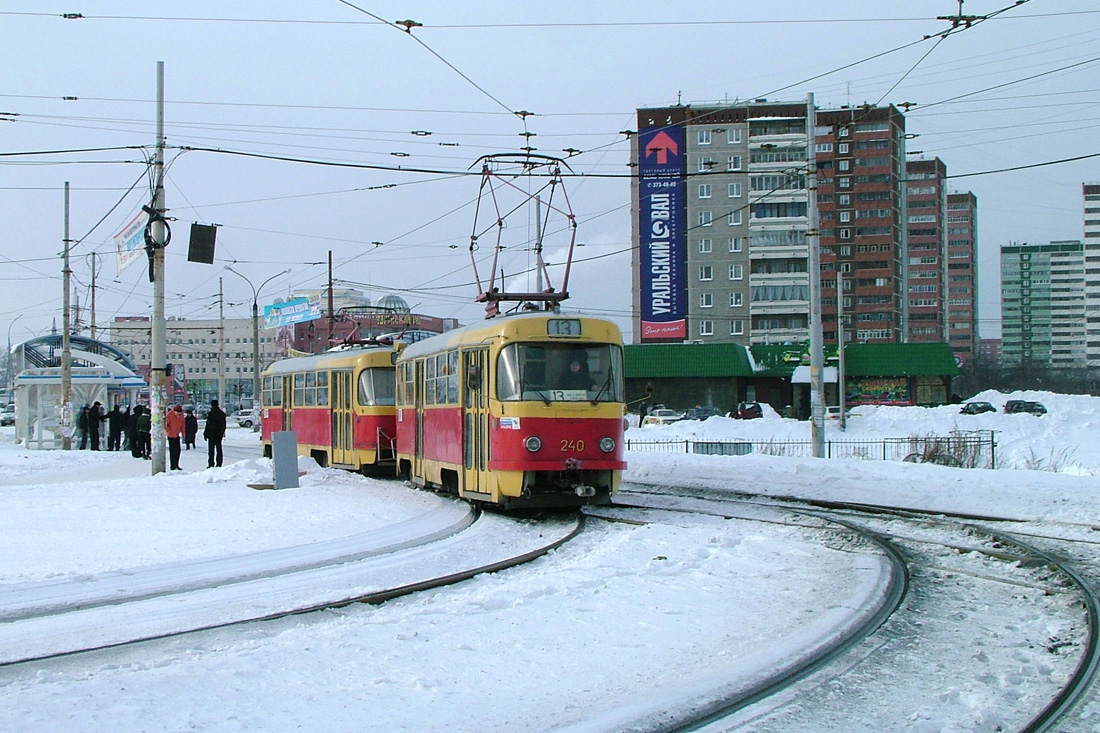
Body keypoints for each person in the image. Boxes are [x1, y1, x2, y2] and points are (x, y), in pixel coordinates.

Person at [204, 399, 227, 468]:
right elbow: (224, 425)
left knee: (211, 450)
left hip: (211, 434)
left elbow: (208, 424)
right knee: (219, 449)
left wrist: (205, 433)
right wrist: (222, 432)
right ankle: (219, 463)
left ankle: (211, 463)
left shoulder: (211, 413)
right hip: (218, 434)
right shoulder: (222, 414)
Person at [166, 404, 186, 470]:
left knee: (178, 451)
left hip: (177, 435)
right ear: (174, 411)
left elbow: (183, 424)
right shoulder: (169, 415)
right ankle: (173, 466)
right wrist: (169, 431)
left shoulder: (181, 415)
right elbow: (166, 425)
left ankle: (176, 464)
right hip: (170, 435)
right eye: (177, 413)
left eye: (180, 413)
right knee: (172, 451)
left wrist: (183, 434)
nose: (178, 414)